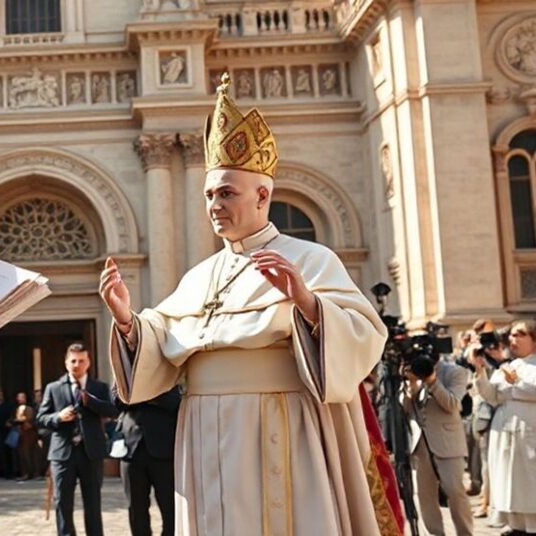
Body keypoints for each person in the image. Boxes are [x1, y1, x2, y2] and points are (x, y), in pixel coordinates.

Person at [100, 73, 404, 535]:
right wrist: (127, 320)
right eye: (208, 194)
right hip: (202, 431)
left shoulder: (311, 259)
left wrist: (306, 301)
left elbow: (363, 339)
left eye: (226, 192)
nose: (214, 205)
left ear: (263, 195)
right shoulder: (198, 276)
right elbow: (162, 343)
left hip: (282, 426)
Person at [36, 342, 119, 536]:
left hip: (91, 453)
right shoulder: (53, 388)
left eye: (81, 361)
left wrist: (91, 401)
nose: (77, 365)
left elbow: (113, 411)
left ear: (88, 362)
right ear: (66, 363)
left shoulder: (99, 387)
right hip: (62, 454)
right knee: (63, 503)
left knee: (93, 502)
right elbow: (40, 418)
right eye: (73, 361)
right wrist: (58, 417)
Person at [471, 320, 536, 536]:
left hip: (528, 431)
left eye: (520, 334)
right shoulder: (508, 365)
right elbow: (493, 396)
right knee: (508, 477)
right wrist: (480, 371)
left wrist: (516, 381)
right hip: (505, 432)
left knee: (529, 480)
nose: (512, 339)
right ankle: (516, 524)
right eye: (511, 335)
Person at [404, 354, 473, 535]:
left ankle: (465, 532)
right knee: (426, 497)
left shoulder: (455, 372)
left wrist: (432, 380)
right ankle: (435, 533)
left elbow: (452, 404)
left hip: (448, 442)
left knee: (455, 492)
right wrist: (411, 384)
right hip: (421, 444)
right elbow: (405, 408)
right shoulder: (412, 373)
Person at [112, 385, 181, 536]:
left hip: (163, 450)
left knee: (170, 507)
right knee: (136, 509)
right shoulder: (127, 371)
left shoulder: (166, 370)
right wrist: (148, 395)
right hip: (131, 450)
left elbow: (175, 402)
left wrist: (143, 395)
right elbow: (117, 402)